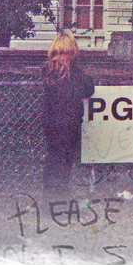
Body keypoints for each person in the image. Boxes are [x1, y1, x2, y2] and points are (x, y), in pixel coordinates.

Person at [42, 31, 94, 193]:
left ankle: (51, 200)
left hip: (52, 124)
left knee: (54, 162)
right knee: (63, 165)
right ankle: (57, 199)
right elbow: (88, 90)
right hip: (68, 124)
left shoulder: (48, 70)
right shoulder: (74, 73)